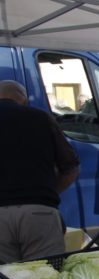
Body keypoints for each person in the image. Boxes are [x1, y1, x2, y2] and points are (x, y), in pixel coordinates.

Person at [0, 80, 80, 263]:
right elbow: (71, 167)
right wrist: (47, 193)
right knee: (46, 278)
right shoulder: (41, 118)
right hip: (39, 214)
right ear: (22, 99)